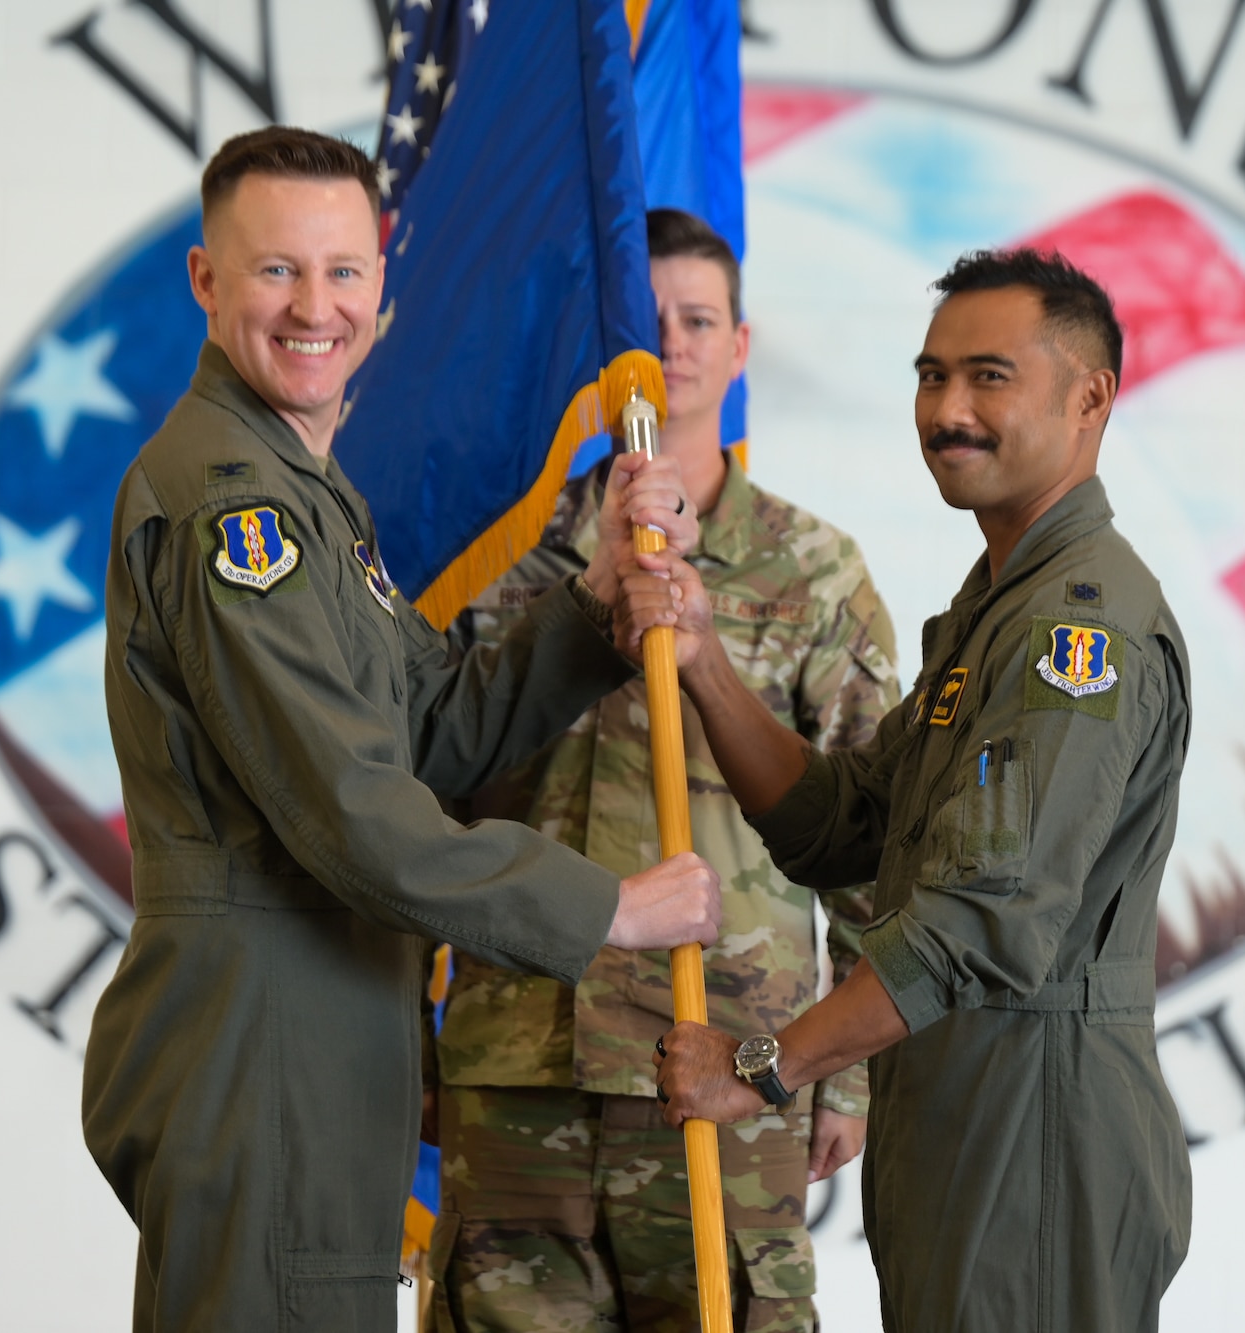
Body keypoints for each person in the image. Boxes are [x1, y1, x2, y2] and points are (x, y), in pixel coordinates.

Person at [80, 127, 724, 1333]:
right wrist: (607, 911)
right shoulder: (235, 513)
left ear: (382, 287)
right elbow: (354, 810)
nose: (314, 307)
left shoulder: (305, 492)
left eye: (343, 271)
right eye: (275, 271)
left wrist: (590, 604)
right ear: (205, 281)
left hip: (314, 1024)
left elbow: (425, 727)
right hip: (262, 1027)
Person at [644, 249, 1194, 1332]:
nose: (946, 410)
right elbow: (841, 822)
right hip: (963, 1112)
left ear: (1089, 397)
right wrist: (701, 655)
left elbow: (976, 922)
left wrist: (757, 1068)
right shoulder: (999, 602)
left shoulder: (1070, 630)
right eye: (929, 375)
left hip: (1036, 1125)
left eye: (988, 377)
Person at [425, 209, 900, 1332]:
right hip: (518, 1055)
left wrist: (845, 1071)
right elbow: (421, 796)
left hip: (732, 1056)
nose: (671, 345)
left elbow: (872, 830)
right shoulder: (509, 552)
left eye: (697, 320)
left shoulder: (812, 569)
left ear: (739, 347)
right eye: (644, 323)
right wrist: (412, 1035)